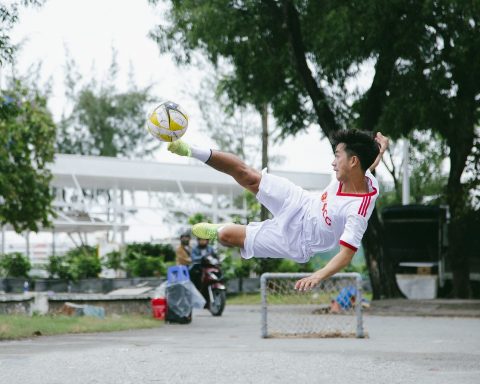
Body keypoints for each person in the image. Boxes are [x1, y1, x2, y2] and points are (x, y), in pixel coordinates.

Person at [165, 129, 389, 291]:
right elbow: (369, 163)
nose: (332, 163)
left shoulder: (357, 210)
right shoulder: (361, 173)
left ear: (352, 162)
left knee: (226, 236)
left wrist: (318, 276)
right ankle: (188, 149)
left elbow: (346, 255)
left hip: (297, 240)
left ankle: (219, 230)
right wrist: (380, 148)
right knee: (249, 176)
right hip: (302, 203)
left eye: (337, 156)